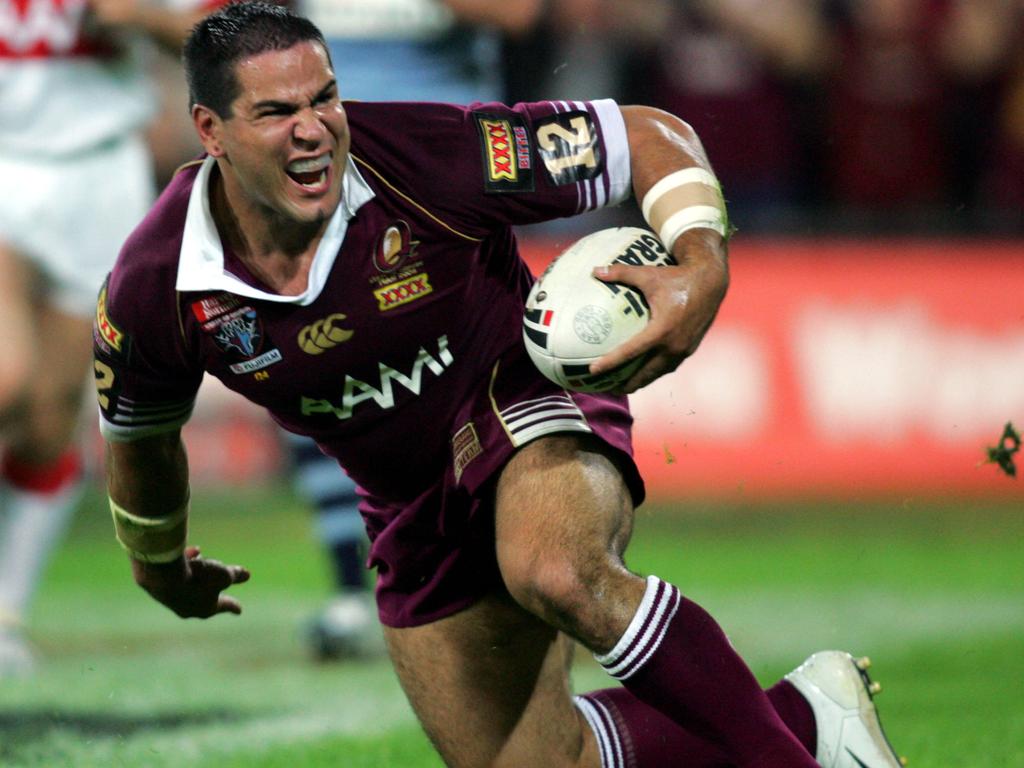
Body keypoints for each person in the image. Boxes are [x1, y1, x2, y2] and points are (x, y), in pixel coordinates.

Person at [95, 3, 908, 765]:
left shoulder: (424, 157)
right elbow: (138, 434)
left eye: (325, 99)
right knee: (534, 758)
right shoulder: (158, 282)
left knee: (555, 569)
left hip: (516, 392)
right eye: (276, 113)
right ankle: (810, 716)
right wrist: (158, 563)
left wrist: (701, 259)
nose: (313, 131)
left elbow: (641, 134)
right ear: (211, 130)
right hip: (407, 498)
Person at [291, 0, 544, 660]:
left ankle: (497, 569)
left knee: (459, 366)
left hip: (437, 151)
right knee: (311, 349)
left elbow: (515, 13)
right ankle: (356, 586)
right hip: (322, 146)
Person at [0, 0, 223, 676]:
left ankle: (6, 612)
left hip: (99, 173)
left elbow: (225, 40)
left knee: (49, 419)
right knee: (7, 376)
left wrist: (142, 16)